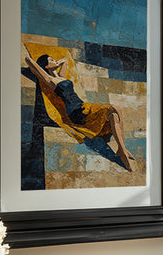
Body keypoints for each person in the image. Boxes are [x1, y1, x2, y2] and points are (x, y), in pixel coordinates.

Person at [21, 43, 136, 171]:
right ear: (47, 66)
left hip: (83, 106)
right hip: (76, 112)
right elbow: (29, 61)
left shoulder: (61, 77)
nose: (55, 60)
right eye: (51, 60)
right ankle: (122, 150)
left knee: (115, 113)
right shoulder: (50, 81)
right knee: (114, 108)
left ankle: (122, 148)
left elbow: (65, 61)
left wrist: (57, 62)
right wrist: (43, 65)